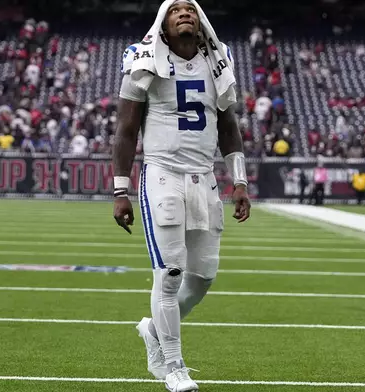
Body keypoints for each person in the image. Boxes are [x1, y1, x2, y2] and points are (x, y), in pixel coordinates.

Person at [111, 1, 251, 391]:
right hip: (162, 174)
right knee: (169, 274)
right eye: (176, 11)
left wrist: (238, 181)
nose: (185, 13)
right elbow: (125, 130)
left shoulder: (216, 62)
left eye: (191, 9)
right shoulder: (145, 60)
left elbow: (228, 126)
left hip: (204, 177)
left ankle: (154, 330)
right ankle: (174, 366)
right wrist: (120, 191)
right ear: (164, 24)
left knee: (203, 277)